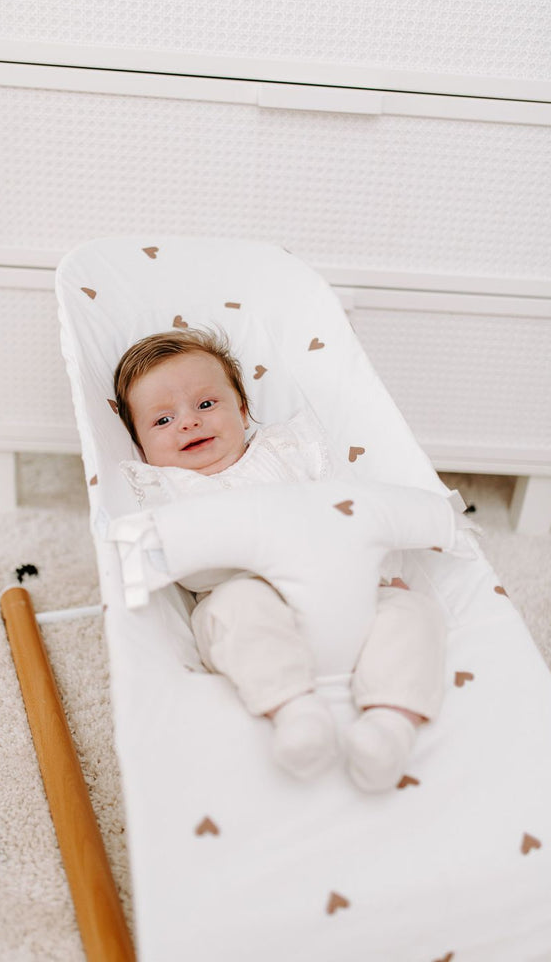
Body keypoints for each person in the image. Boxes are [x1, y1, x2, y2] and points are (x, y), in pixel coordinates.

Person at [113, 326, 447, 792]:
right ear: (140, 444)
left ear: (242, 410)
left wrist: (381, 571)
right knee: (232, 609)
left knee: (413, 612)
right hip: (248, 599)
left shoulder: (288, 450)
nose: (188, 422)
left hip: (344, 592)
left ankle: (390, 726)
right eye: (163, 420)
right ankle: (296, 712)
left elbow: (350, 505)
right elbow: (190, 568)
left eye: (206, 404)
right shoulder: (164, 487)